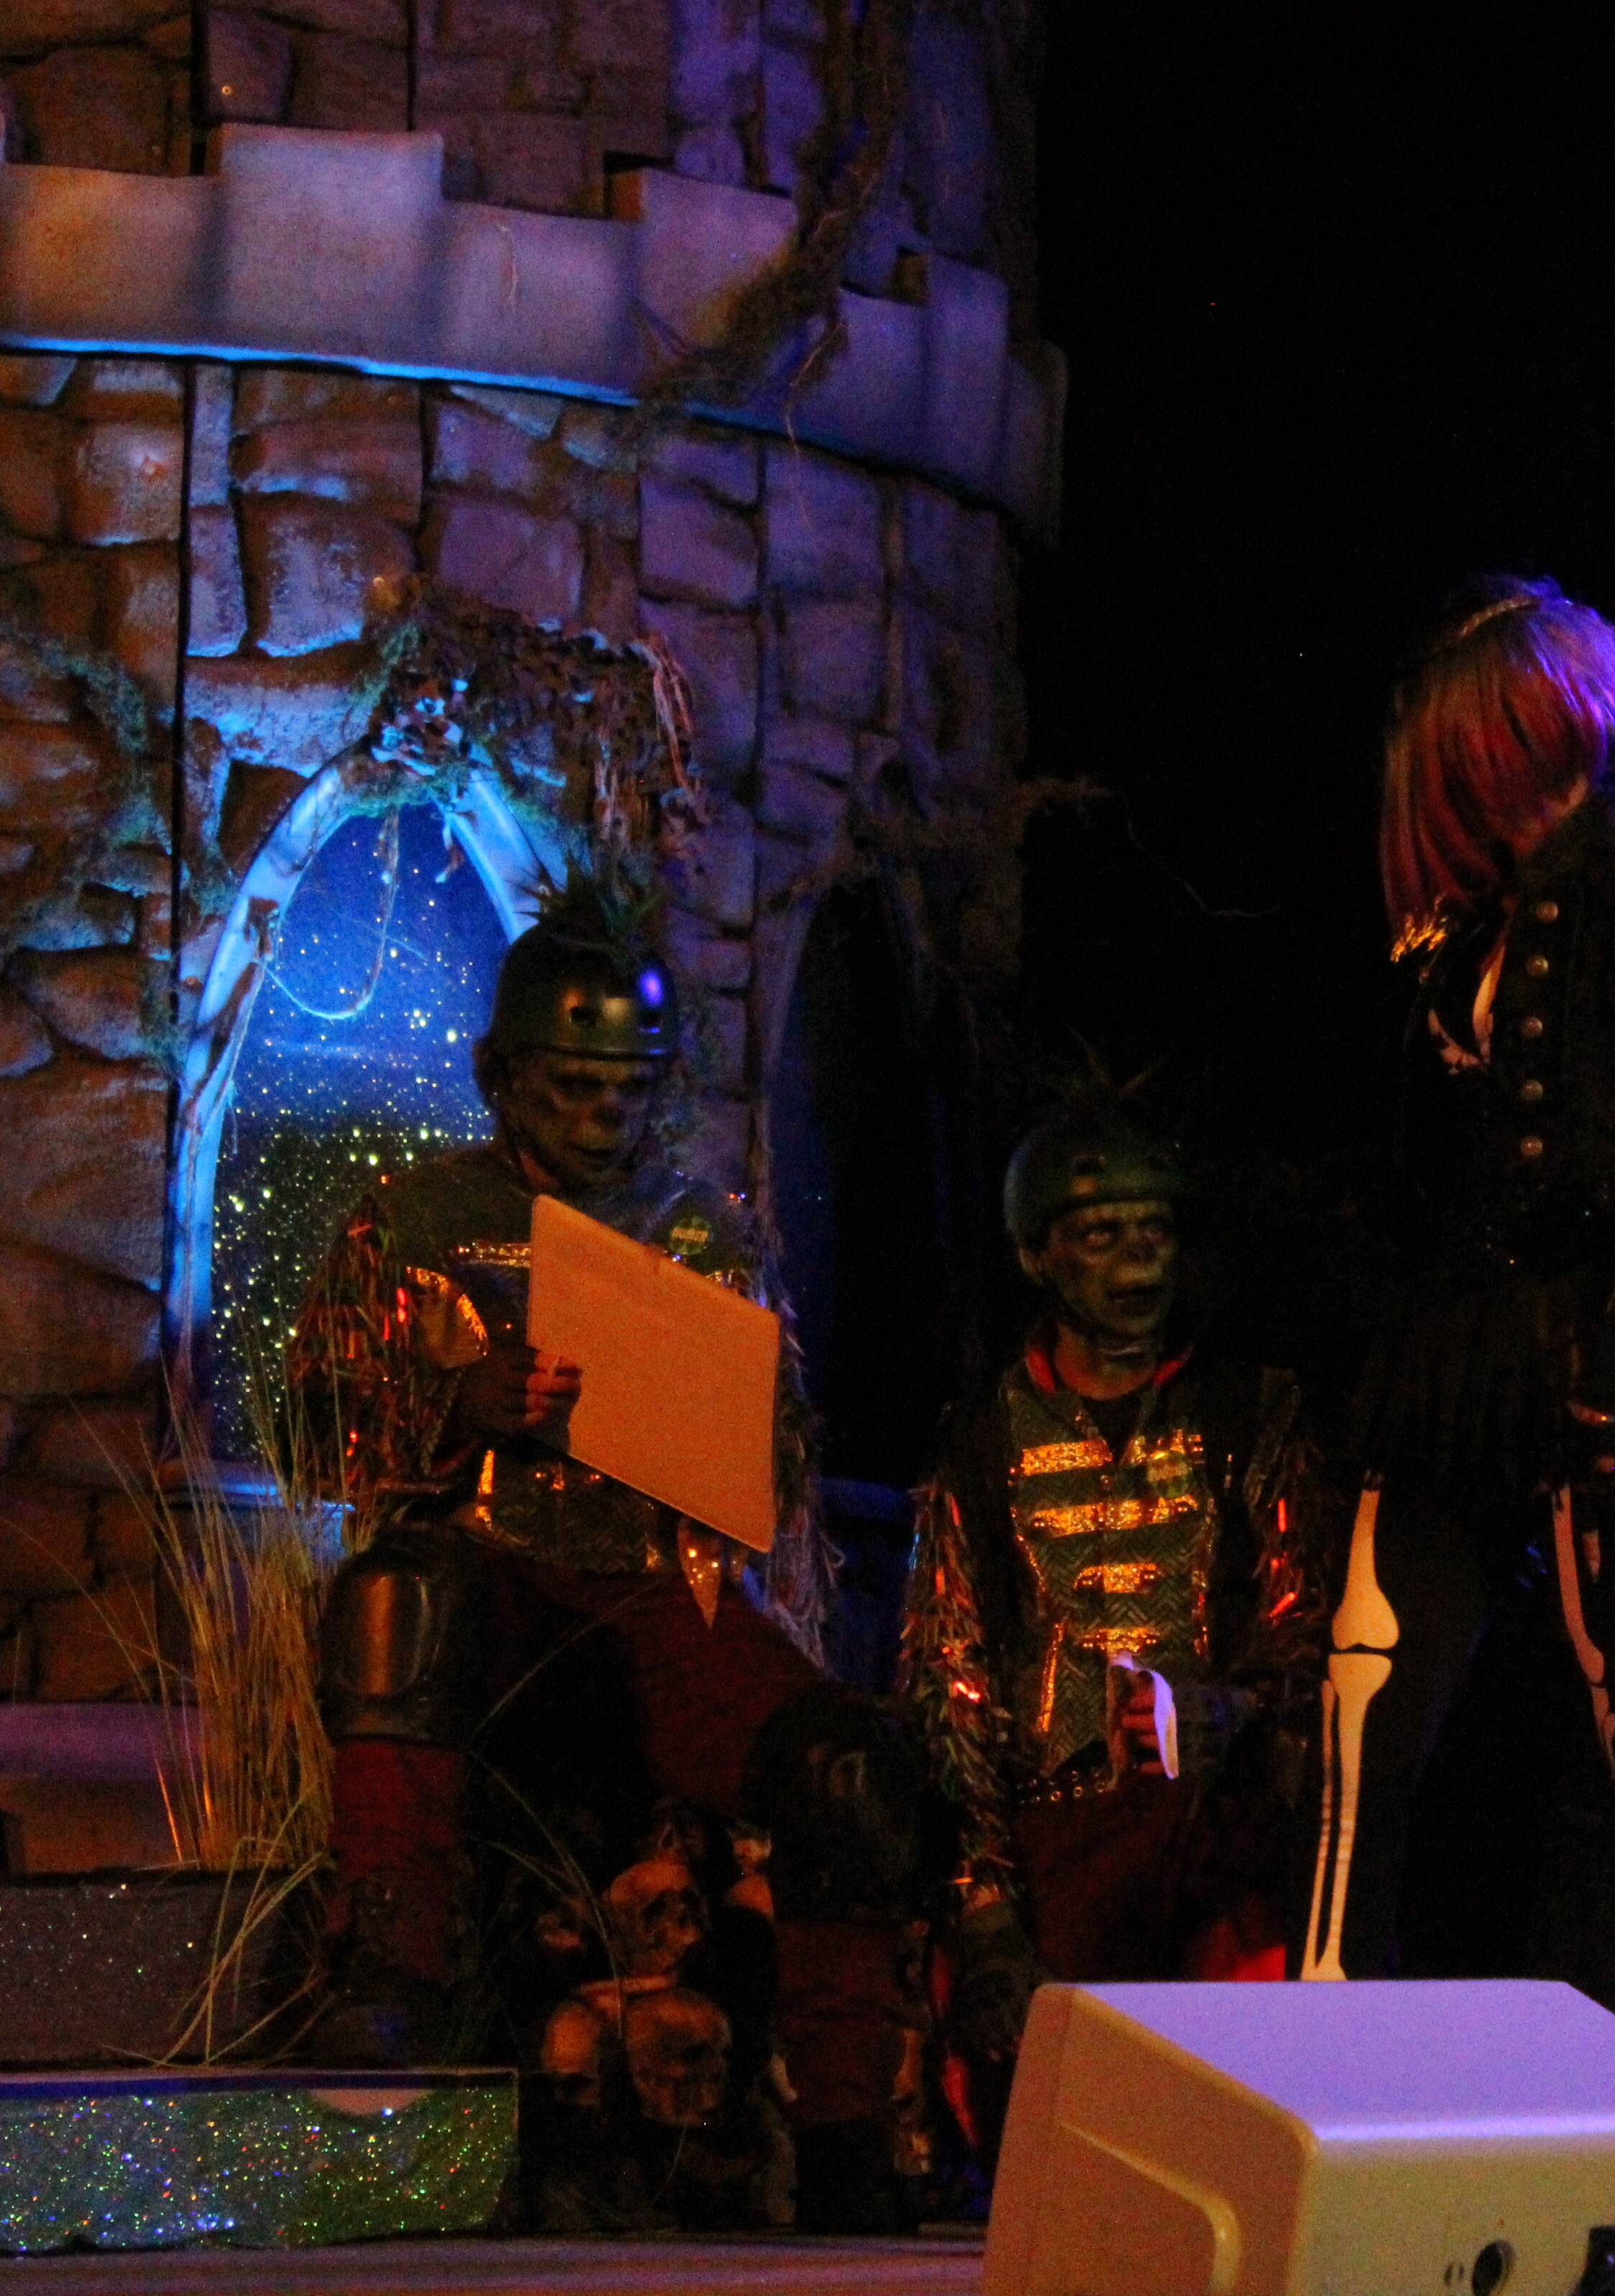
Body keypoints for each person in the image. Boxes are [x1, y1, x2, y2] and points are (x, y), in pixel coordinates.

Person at [279, 874, 965, 2229]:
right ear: (503, 1075)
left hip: (656, 1590)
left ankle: (842, 2134)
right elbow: (311, 1425)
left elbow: (779, 1462)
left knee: (844, 1759)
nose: (604, 1117)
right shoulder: (415, 1221)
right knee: (397, 1598)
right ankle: (390, 2002)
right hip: (485, 1580)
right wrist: (456, 1403)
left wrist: (704, 1423)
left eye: (629, 1091)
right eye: (573, 1087)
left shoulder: (701, 1230)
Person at [1300, 573, 1615, 2069]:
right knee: (1366, 1701)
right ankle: (1328, 2058)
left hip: (1608, 1347)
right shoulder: (1465, 926)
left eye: (1499, 744)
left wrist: (1612, 1395)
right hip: (1469, 1351)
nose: (1492, 778)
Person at [899, 1104, 1328, 2044]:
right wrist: (985, 1907)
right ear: (1037, 1255)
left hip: (1215, 1826)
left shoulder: (1249, 1412)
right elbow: (948, 1681)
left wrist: (1230, 1713)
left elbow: (1308, 1630)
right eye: (1101, 1235)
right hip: (1049, 1833)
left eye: (1155, 1231)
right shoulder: (984, 1439)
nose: (1139, 1260)